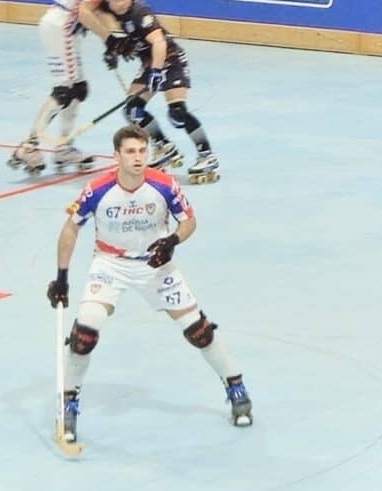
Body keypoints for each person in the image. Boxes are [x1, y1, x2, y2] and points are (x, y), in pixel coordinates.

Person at [48, 125, 252, 452]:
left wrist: (172, 241)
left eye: (142, 151)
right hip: (110, 264)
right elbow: (70, 229)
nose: (138, 158)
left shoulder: (164, 184)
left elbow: (189, 221)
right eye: (130, 151)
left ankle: (235, 385)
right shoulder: (97, 190)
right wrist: (61, 277)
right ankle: (68, 402)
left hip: (154, 264)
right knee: (85, 333)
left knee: (198, 331)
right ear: (116, 156)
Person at [11, 0, 125, 177]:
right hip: (60, 28)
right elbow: (85, 13)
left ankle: (63, 147)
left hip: (67, 32)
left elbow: (99, 10)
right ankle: (28, 146)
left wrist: (113, 39)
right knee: (63, 91)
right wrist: (109, 40)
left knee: (78, 89)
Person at [95, 0, 218, 182]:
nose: (117, 4)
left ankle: (207, 155)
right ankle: (164, 147)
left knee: (177, 112)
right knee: (132, 109)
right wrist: (112, 48)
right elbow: (91, 12)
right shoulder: (110, 6)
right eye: (113, 0)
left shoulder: (140, 13)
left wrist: (156, 72)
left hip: (170, 60)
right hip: (149, 62)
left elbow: (159, 43)